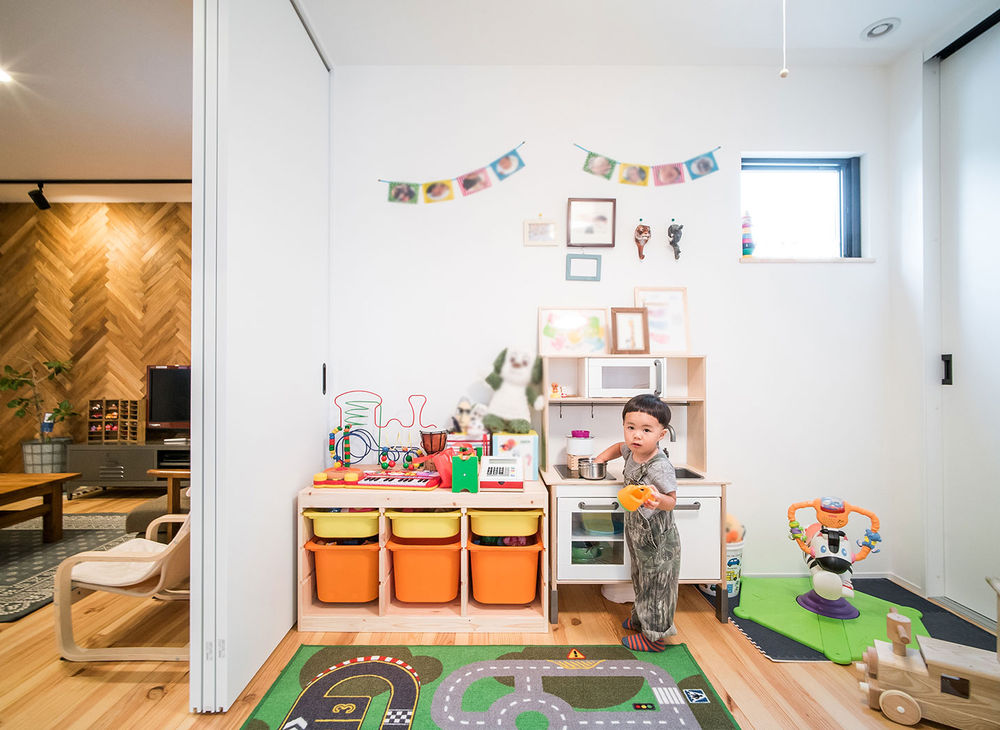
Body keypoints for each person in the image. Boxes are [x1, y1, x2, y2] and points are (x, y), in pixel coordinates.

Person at [592, 393, 679, 652]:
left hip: (658, 537)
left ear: (661, 435)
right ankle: (641, 620)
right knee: (641, 578)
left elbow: (672, 501)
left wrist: (658, 500)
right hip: (638, 532)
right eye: (631, 427)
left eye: (646, 430)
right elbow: (618, 447)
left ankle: (654, 637)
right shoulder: (632, 451)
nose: (636, 435)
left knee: (657, 585)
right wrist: (599, 460)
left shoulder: (659, 466)